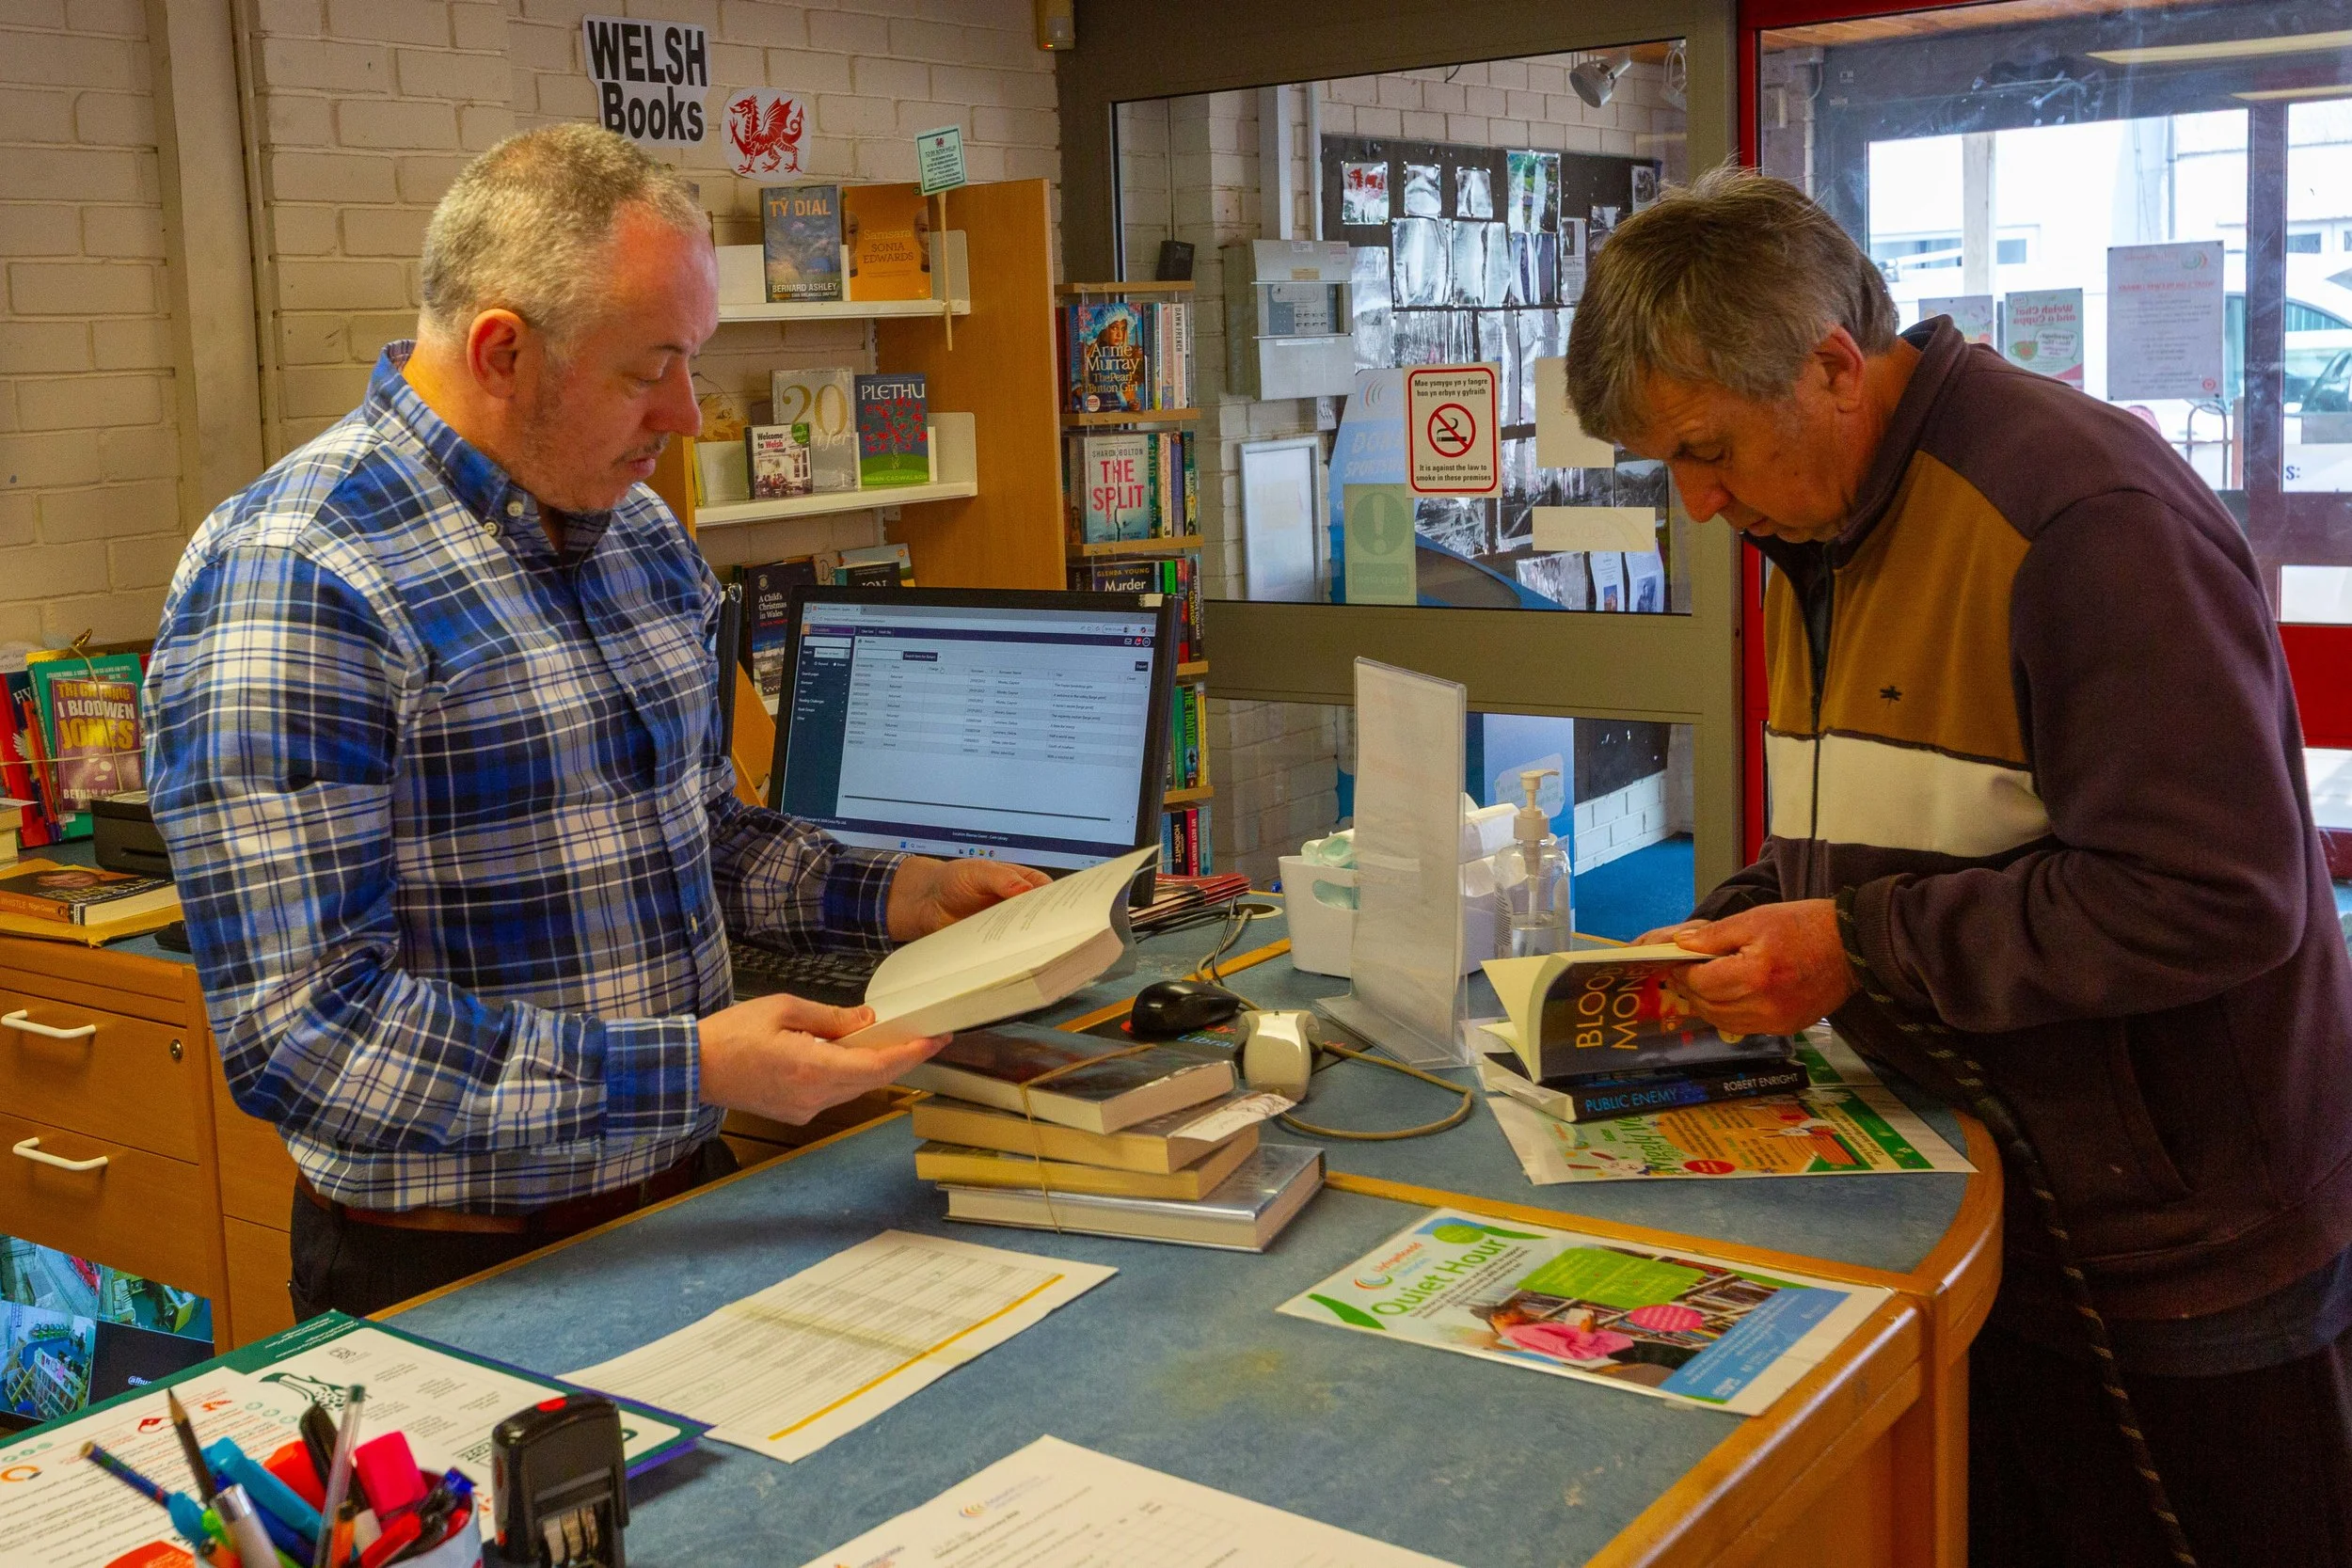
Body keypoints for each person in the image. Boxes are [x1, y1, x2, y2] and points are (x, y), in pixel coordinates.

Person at [1565, 166, 2352, 1566]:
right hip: (1982, 1194)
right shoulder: (1814, 514)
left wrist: (1859, 945)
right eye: (1667, 465)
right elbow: (1877, 827)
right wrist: (1738, 920)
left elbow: (2217, 893)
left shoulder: (2079, 517)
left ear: (1832, 367)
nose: (1695, 503)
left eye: (1708, 448)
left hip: (2173, 1249)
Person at [144, 125, 1047, 1320]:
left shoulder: (639, 534)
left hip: (684, 1198)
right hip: (459, 1271)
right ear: (503, 349)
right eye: (648, 368)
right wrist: (696, 1068)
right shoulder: (302, 576)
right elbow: (311, 1038)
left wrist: (899, 893)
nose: (685, 411)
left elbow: (692, 834)